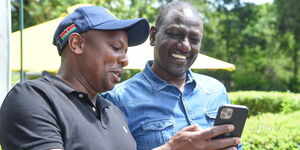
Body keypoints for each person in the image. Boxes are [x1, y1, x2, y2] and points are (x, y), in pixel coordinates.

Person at [0, 5, 239, 150]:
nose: (124, 60)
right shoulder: (34, 98)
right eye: (116, 48)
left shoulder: (110, 111)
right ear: (76, 43)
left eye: (125, 51)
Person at [103, 1, 241, 150]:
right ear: (153, 36)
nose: (185, 46)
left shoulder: (216, 91)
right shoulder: (118, 100)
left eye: (194, 39)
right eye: (175, 34)